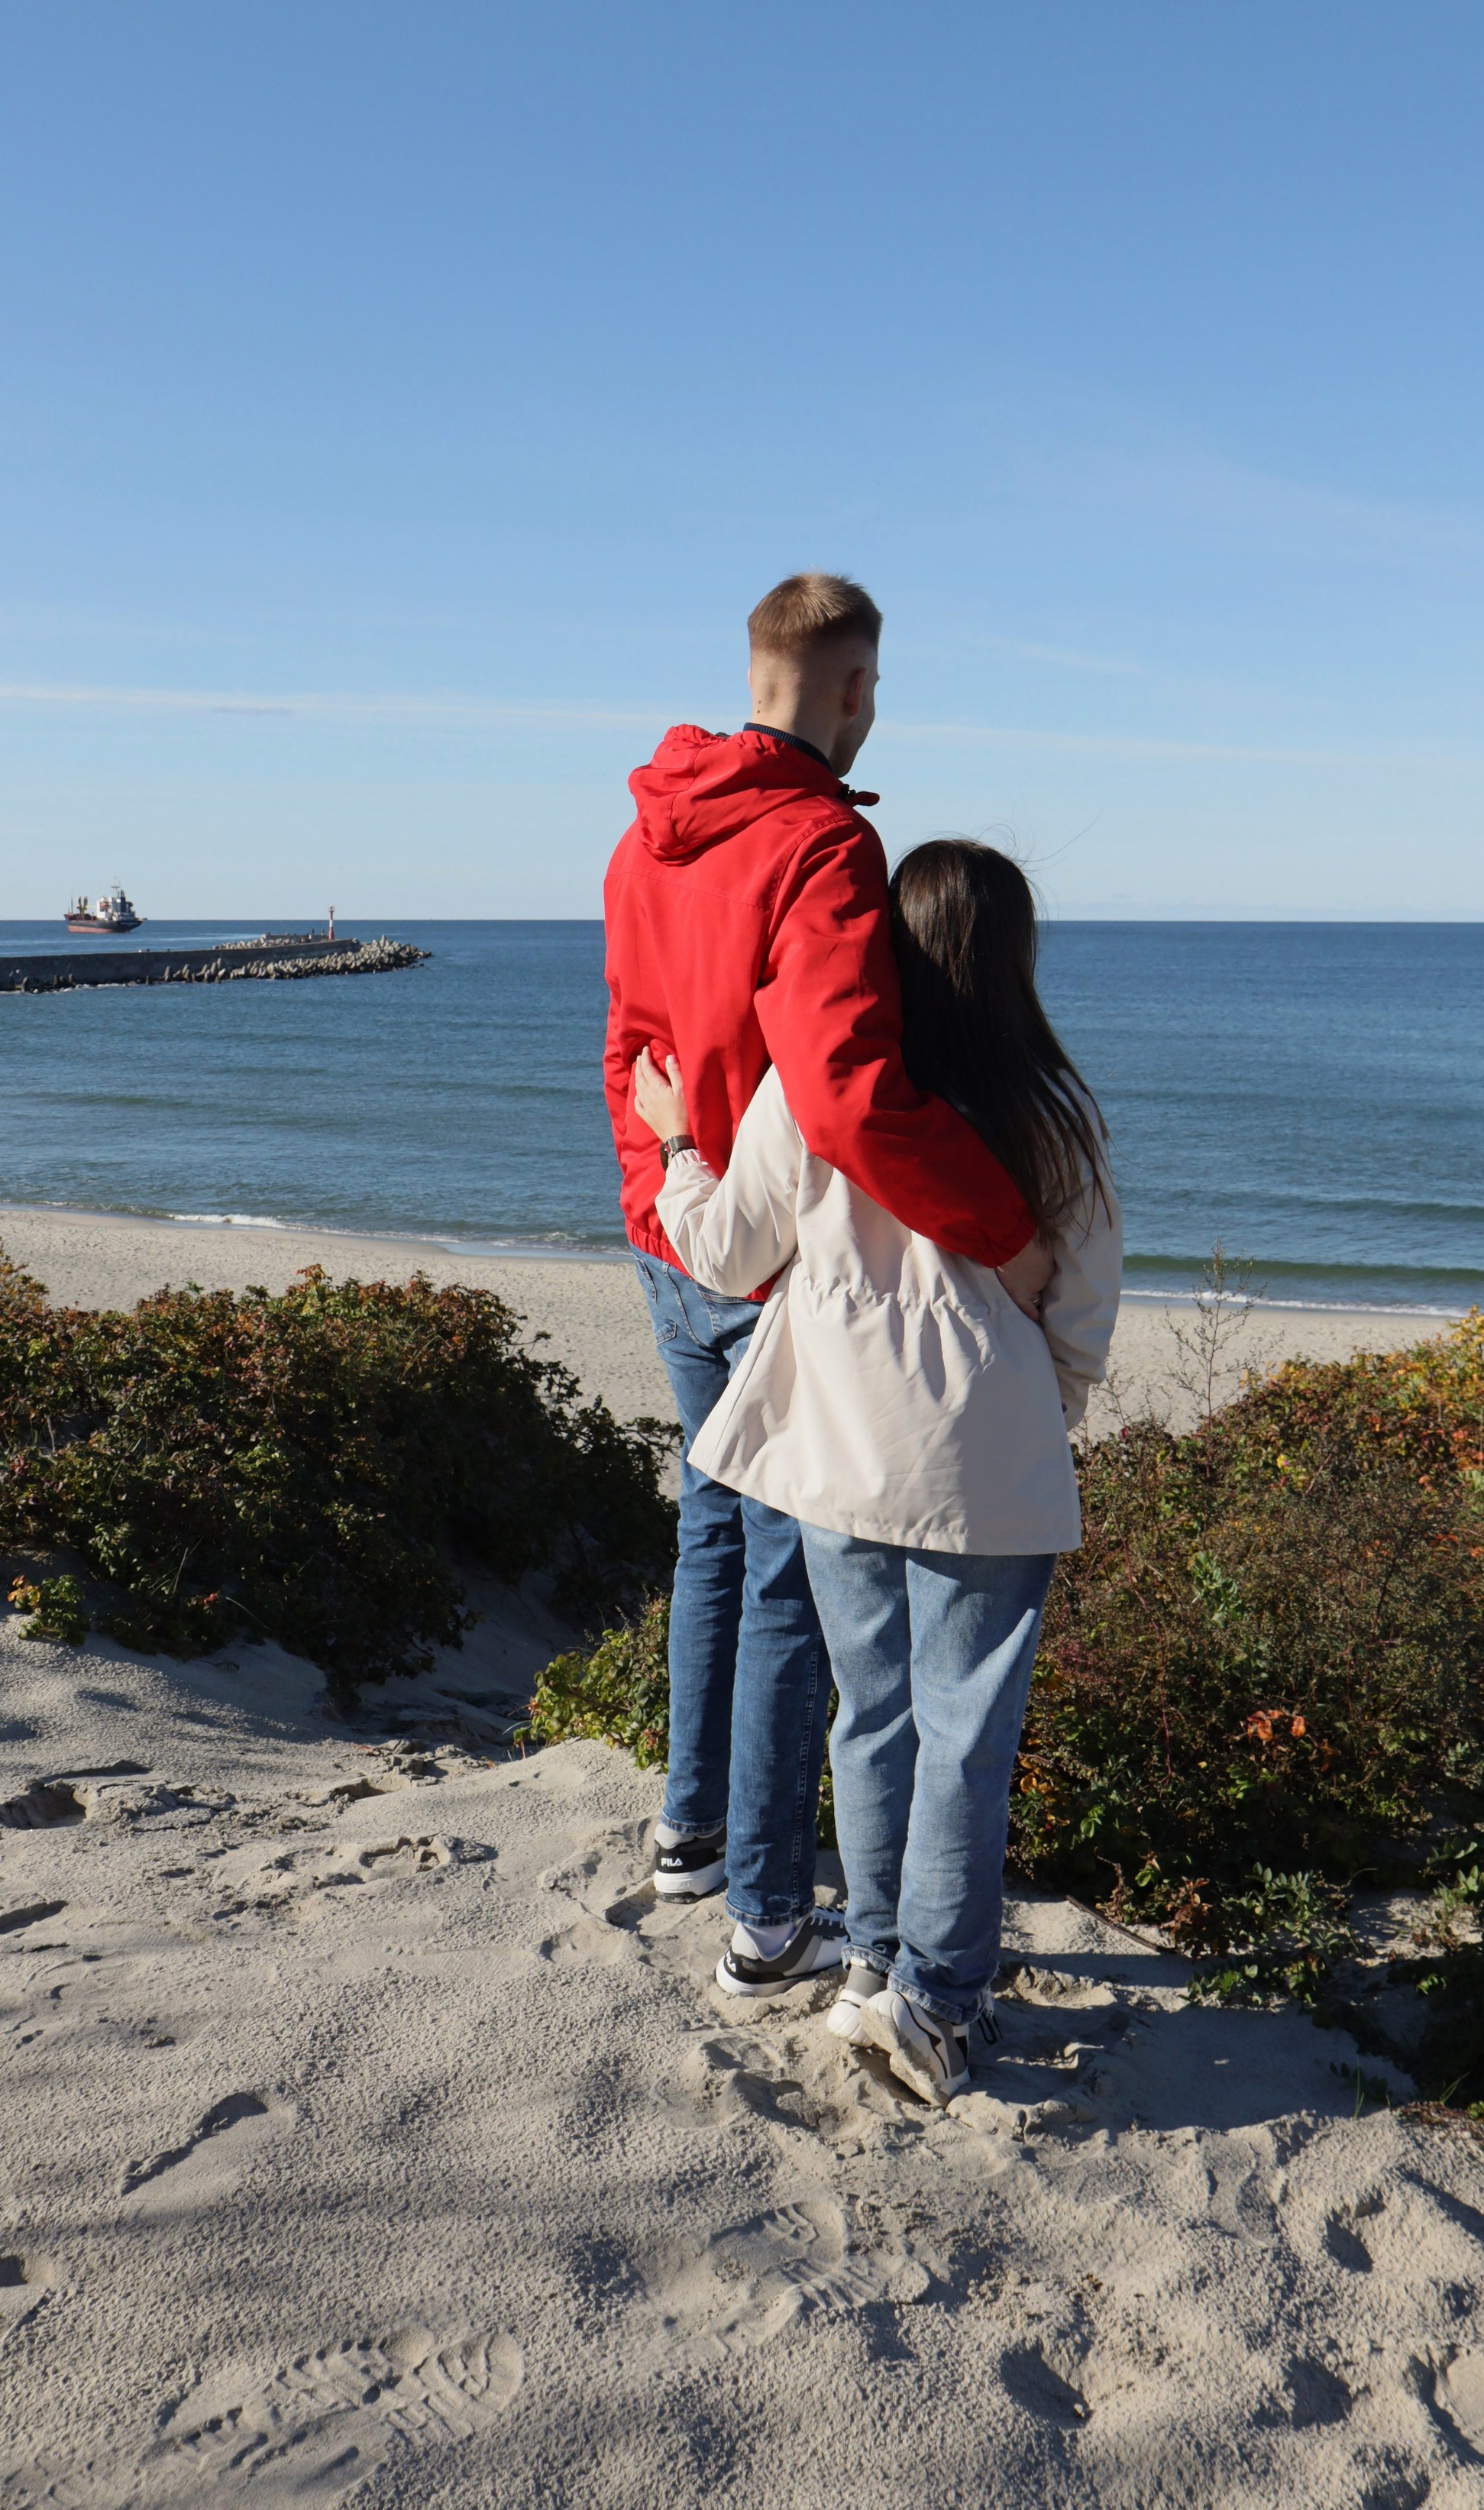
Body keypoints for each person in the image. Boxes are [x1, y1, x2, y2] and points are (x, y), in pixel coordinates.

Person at [602, 577, 1053, 2001]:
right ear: (853, 690)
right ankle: (764, 1911)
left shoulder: (643, 839)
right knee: (796, 1591)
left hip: (675, 1229)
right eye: (874, 693)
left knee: (712, 1545)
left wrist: (661, 1175)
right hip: (772, 1258)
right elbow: (850, 1094)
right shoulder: (818, 847)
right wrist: (1002, 1229)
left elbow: (629, 1046)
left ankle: (693, 1834)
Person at [632, 839, 1119, 2103]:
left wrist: (678, 1140)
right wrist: (1030, 1408)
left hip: (839, 1455)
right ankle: (938, 2005)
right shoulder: (1052, 1111)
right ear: (1015, 957)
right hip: (985, 1467)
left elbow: (725, 1255)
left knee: (876, 1713)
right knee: (965, 1731)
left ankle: (880, 1964)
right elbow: (1086, 1316)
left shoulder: (822, 1091)